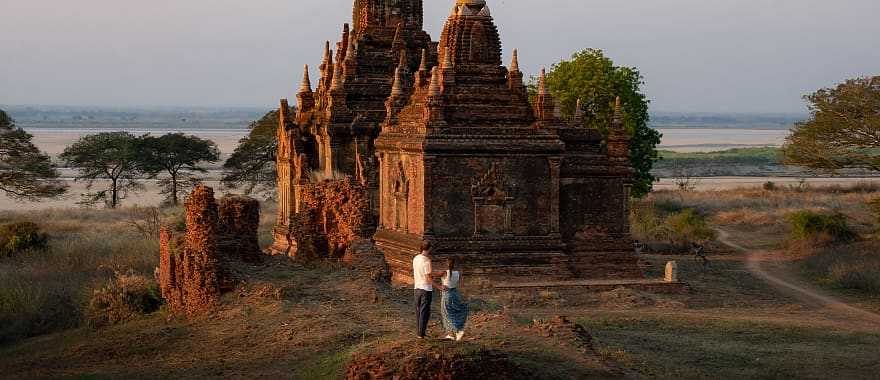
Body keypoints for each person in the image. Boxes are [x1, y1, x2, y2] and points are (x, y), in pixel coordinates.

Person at [434, 258, 469, 341]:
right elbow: (462, 285)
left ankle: (455, 332)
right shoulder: (458, 273)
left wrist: (438, 286)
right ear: (454, 265)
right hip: (455, 293)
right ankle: (453, 332)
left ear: (446, 264)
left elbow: (430, 275)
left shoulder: (444, 272)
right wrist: (466, 296)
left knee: (446, 314)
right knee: (454, 312)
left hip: (447, 294)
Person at [413, 242, 440, 339]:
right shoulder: (427, 261)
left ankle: (419, 333)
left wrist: (438, 274)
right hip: (426, 289)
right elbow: (428, 277)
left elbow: (426, 273)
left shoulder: (416, 258)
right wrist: (439, 286)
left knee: (418, 311)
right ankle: (421, 334)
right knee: (425, 312)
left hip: (417, 288)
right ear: (429, 249)